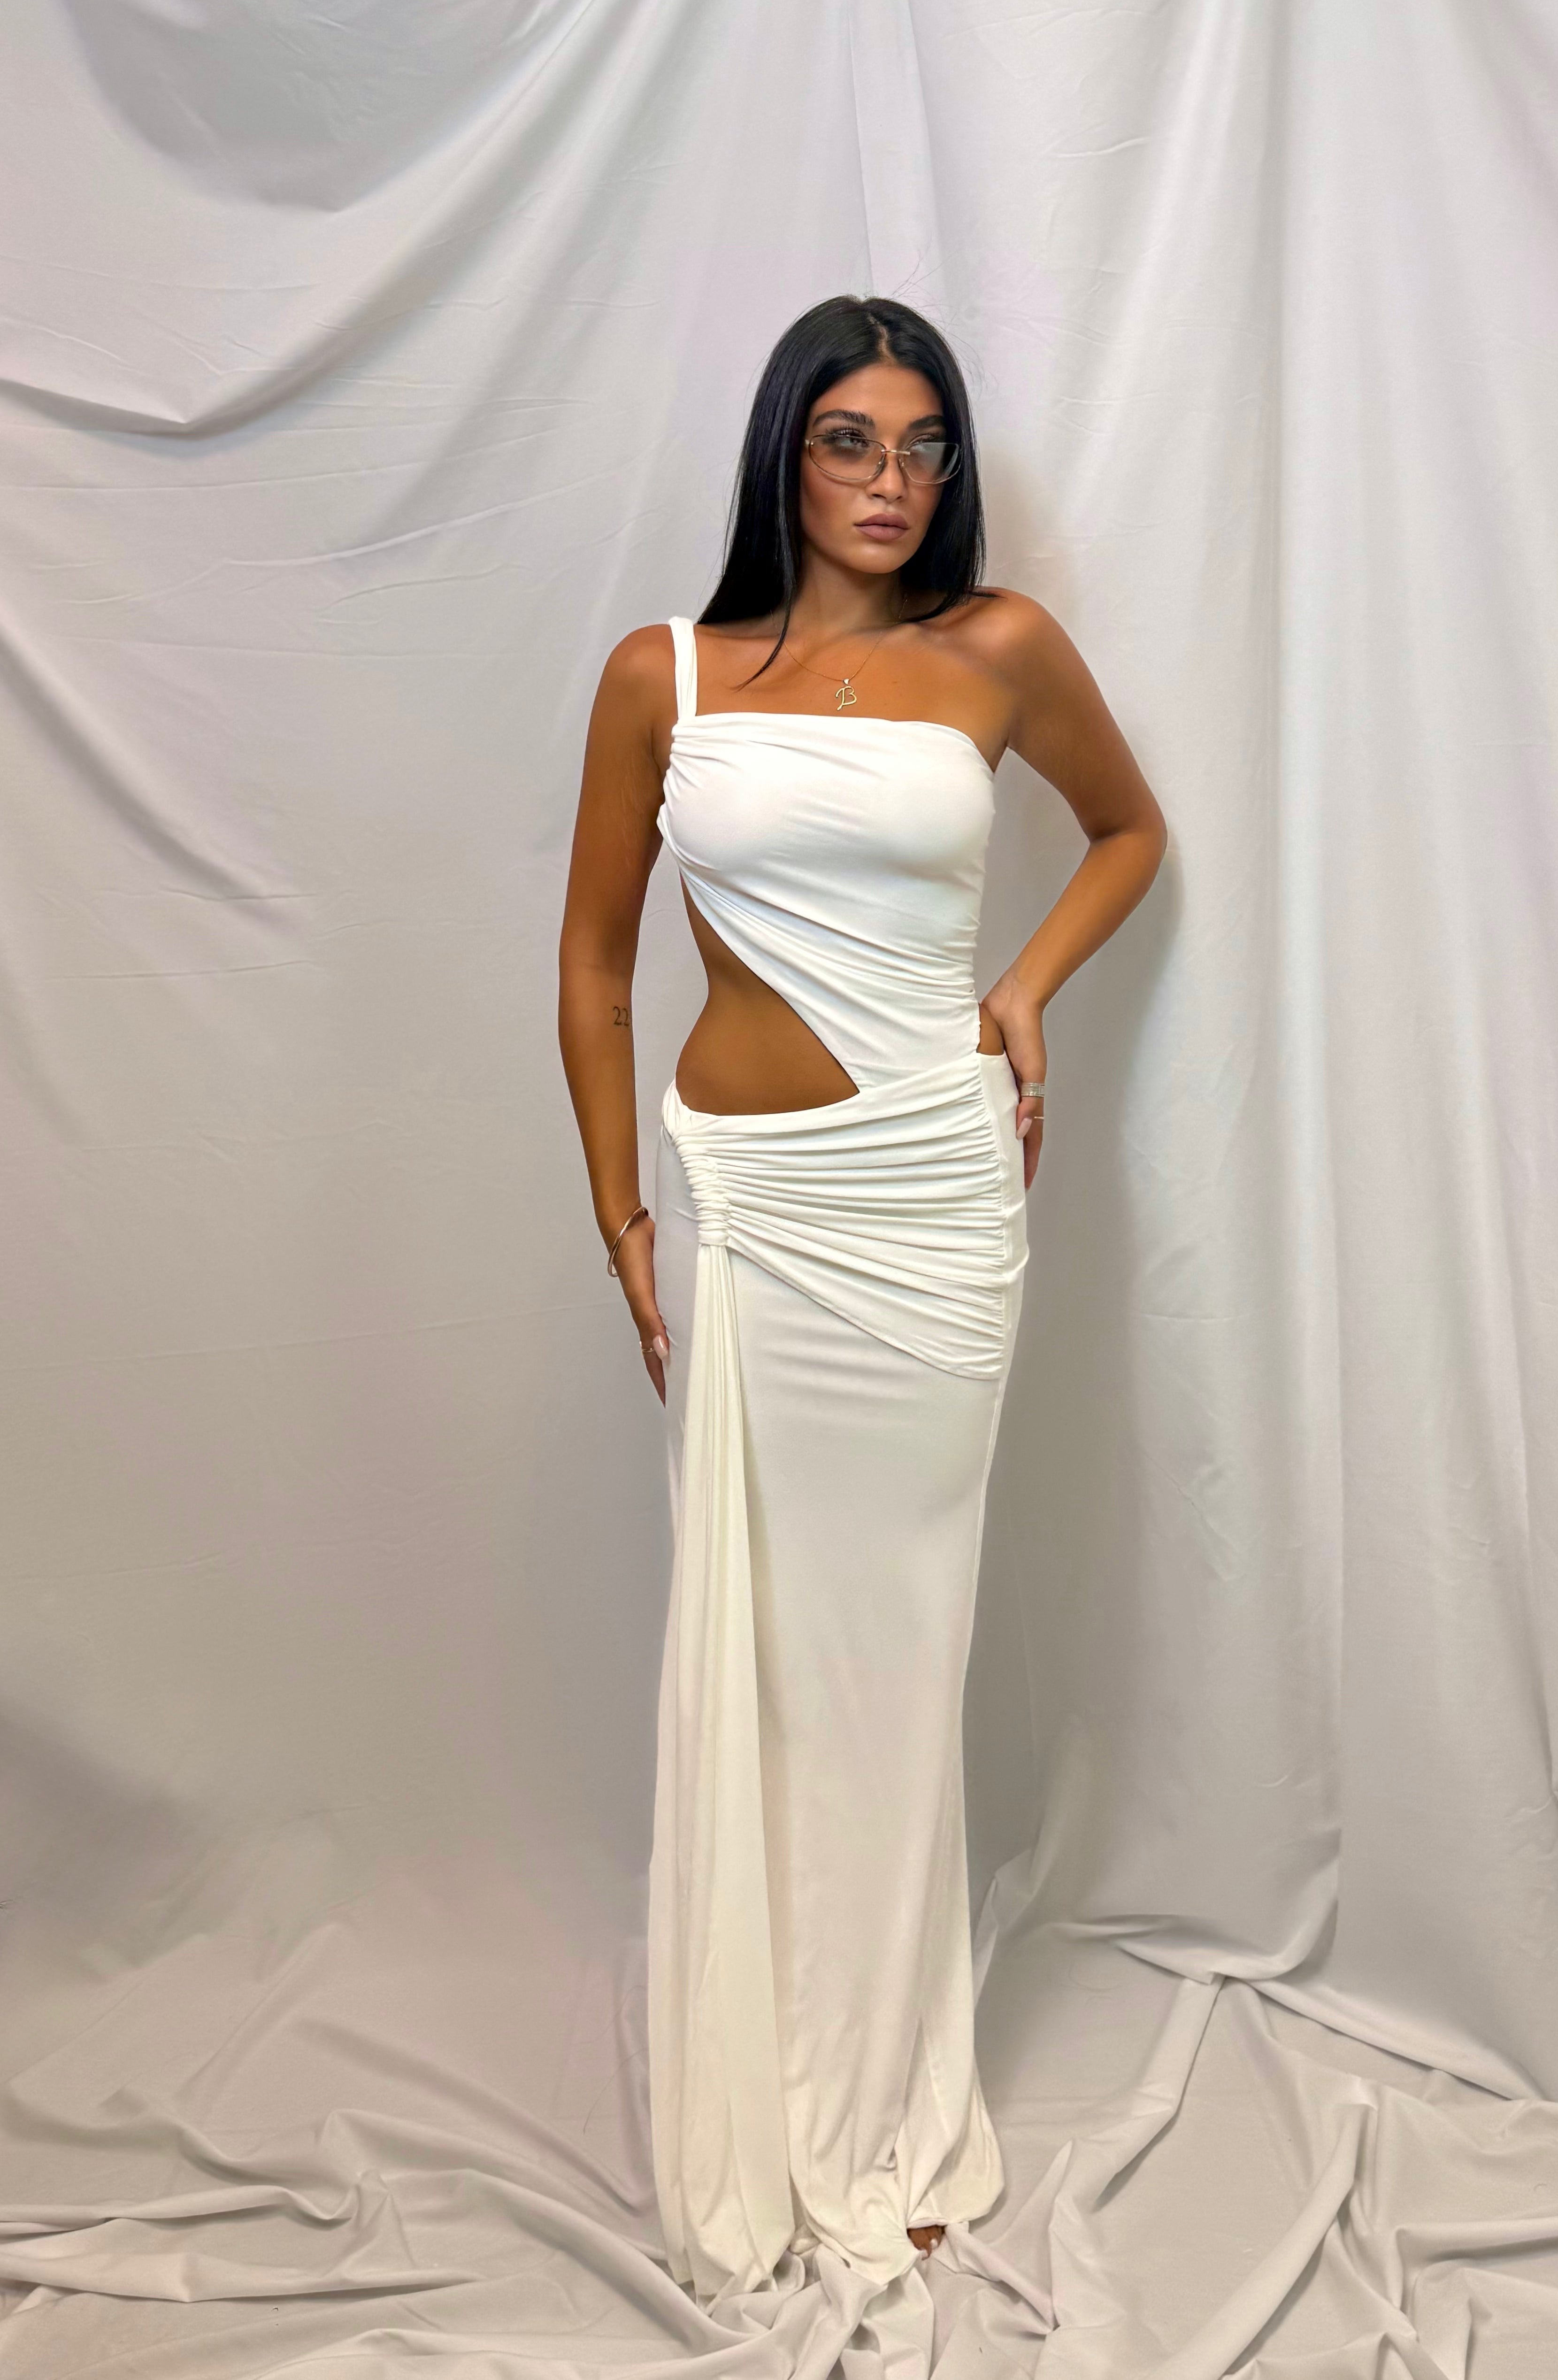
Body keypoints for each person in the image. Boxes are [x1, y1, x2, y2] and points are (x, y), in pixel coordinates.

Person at [557, 295, 1165, 2305]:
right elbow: (590, 960)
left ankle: (884, 2097)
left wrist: (1022, 991)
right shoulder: (663, 674)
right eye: (849, 440)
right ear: (784, 455)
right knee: (760, 1647)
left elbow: (1130, 828)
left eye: (921, 445)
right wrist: (621, 1208)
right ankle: (765, 2085)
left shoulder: (999, 650)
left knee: (894, 1660)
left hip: (929, 1200)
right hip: (744, 1202)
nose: (890, 480)